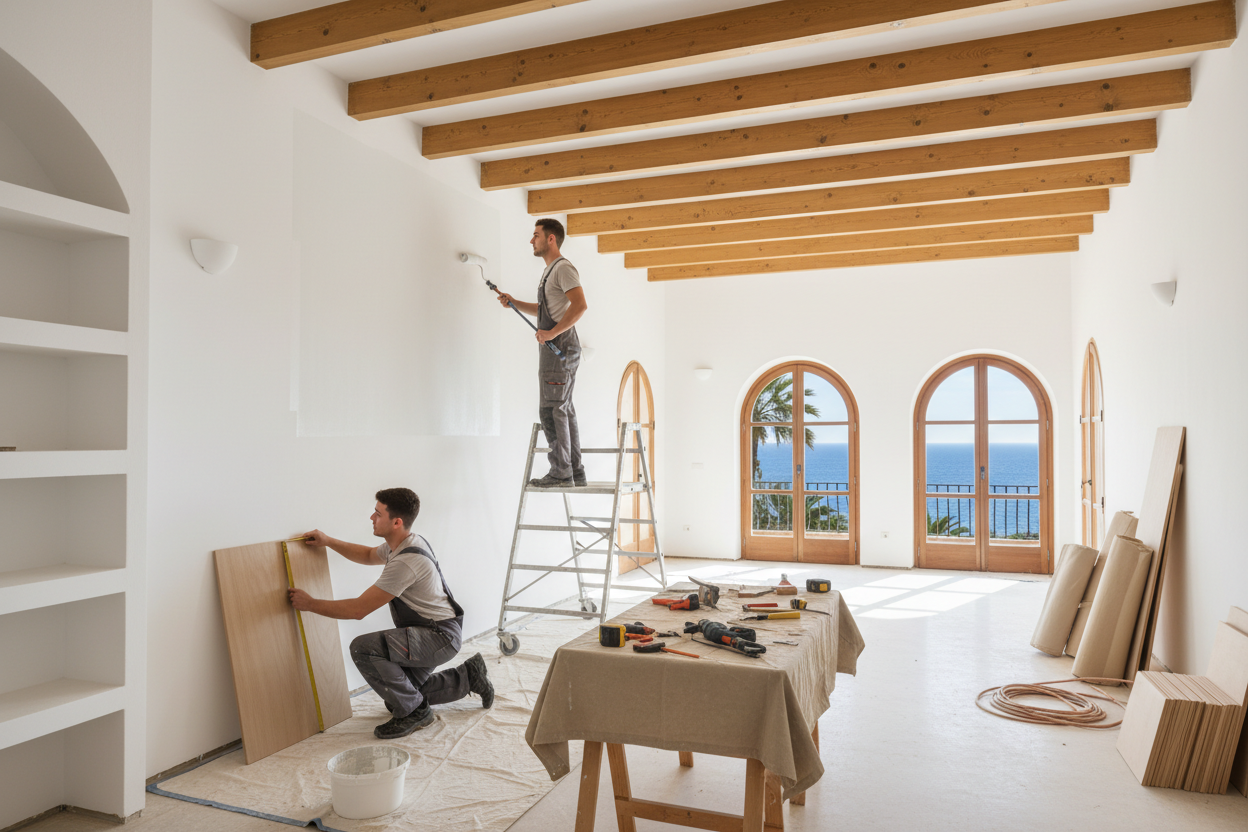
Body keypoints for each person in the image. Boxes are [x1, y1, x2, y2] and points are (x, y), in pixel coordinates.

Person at [291, 488, 494, 739]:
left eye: (378, 513)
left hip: (438, 636)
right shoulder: (401, 544)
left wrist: (310, 604)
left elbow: (358, 610)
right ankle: (468, 676)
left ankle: (415, 714)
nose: (371, 518)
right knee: (400, 694)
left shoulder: (405, 562)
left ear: (396, 522)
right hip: (436, 631)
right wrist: (328, 541)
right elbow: (366, 555)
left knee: (363, 648)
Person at [497, 218, 588, 488]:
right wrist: (514, 302)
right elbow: (545, 309)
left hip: (559, 347)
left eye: (536, 235)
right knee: (561, 408)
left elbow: (580, 305)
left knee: (552, 410)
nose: (531, 240)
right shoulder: (550, 272)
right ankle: (574, 471)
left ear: (551, 239)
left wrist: (551, 333)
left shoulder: (563, 268)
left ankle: (561, 473)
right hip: (556, 348)